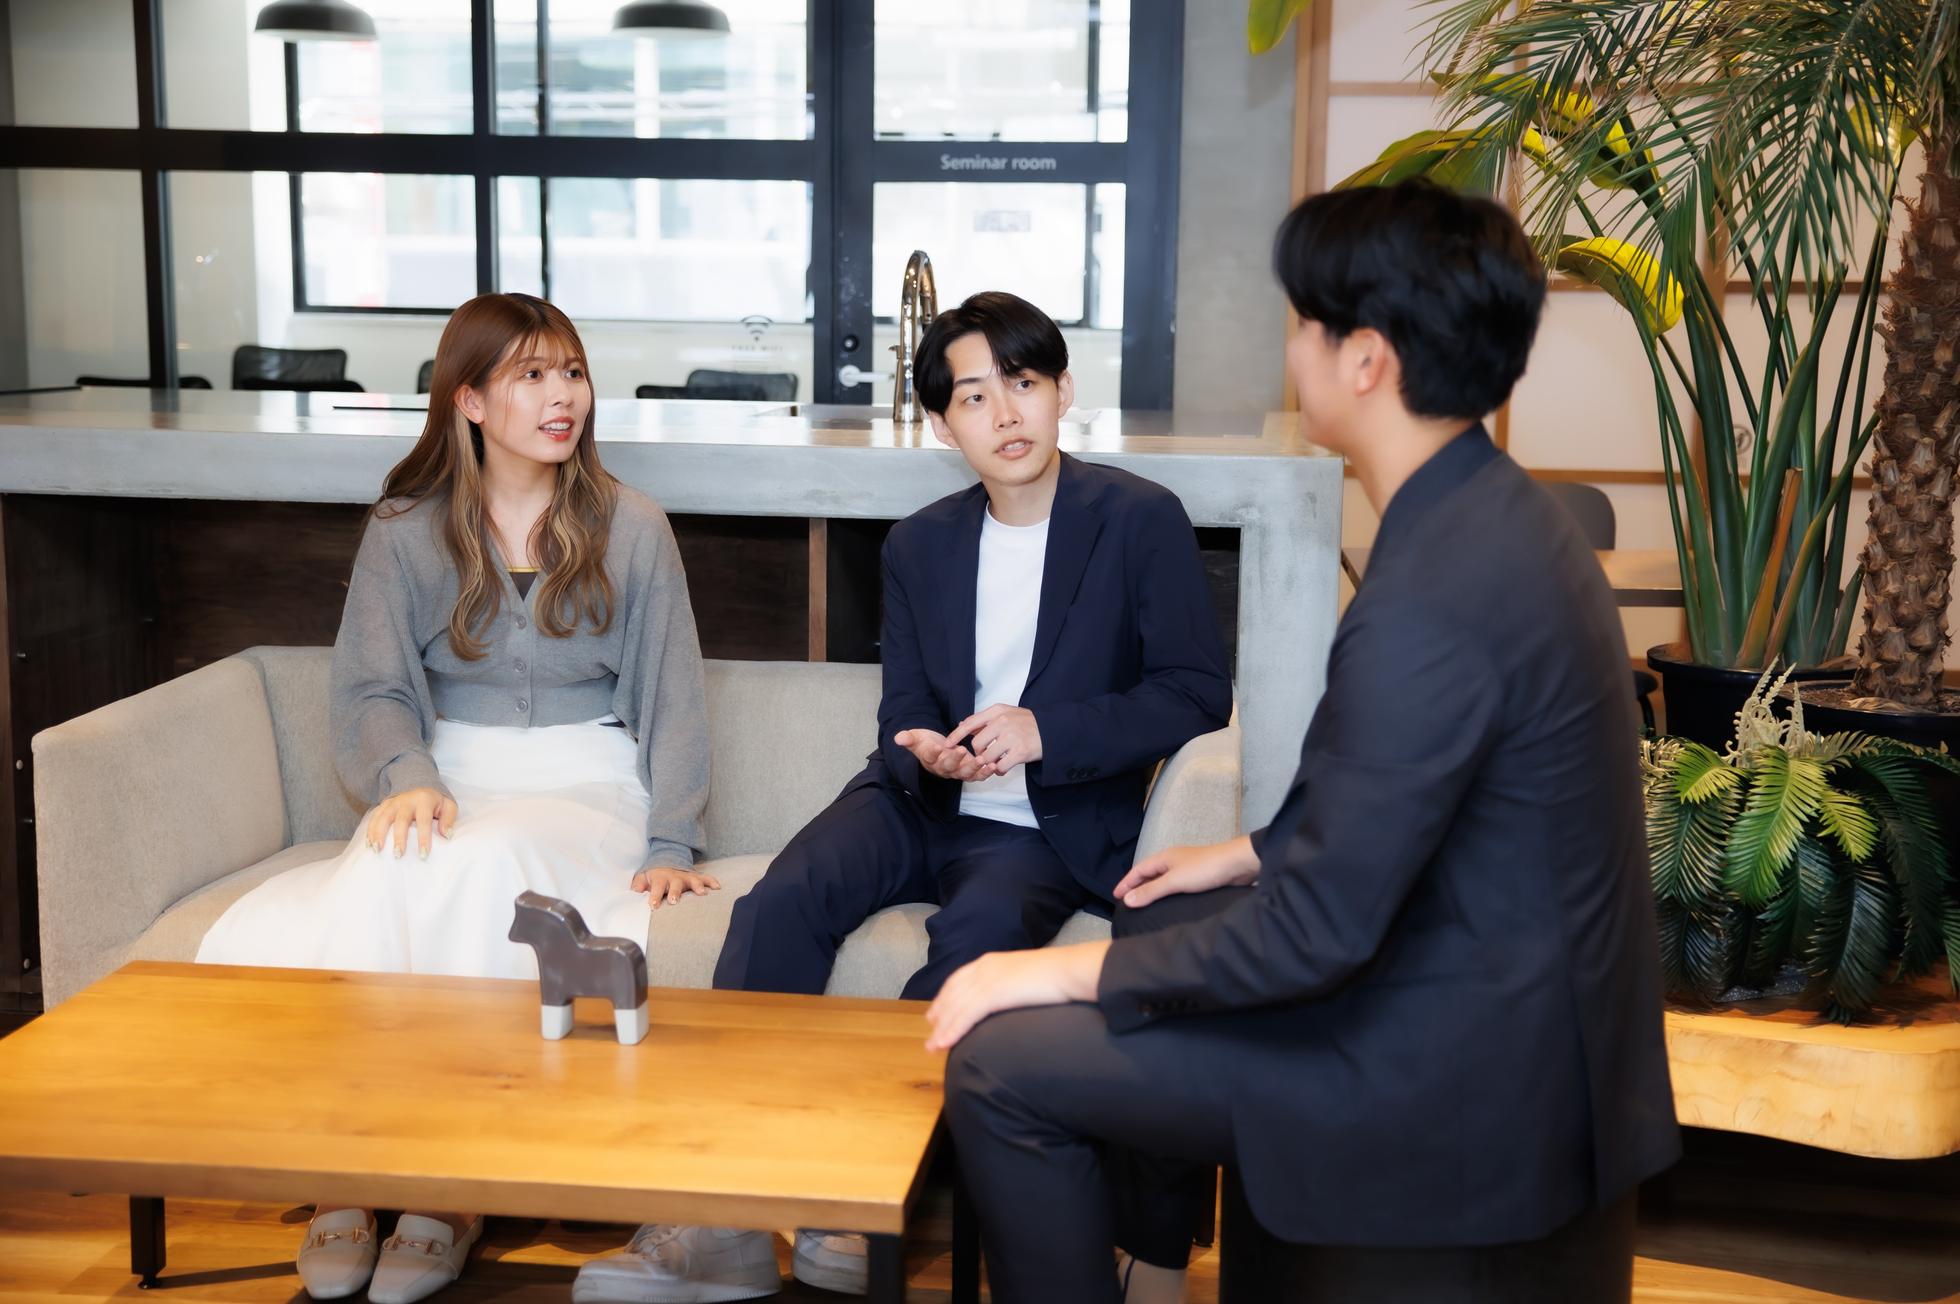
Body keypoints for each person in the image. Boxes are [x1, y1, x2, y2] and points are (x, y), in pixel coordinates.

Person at [922, 180, 1683, 1304]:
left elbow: (1315, 932)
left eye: (1305, 324)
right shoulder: (1491, 513)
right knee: (1162, 907)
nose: (1291, 349)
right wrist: (1244, 853)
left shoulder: (1438, 588)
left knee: (998, 1063)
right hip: (1486, 996)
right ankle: (1152, 1265)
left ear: (1365, 359)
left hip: (1448, 1059)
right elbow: (1418, 799)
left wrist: (1046, 969)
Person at [572, 290, 1234, 1303]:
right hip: (918, 800)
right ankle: (722, 1218)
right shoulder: (920, 542)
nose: (1004, 412)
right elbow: (908, 704)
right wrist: (923, 745)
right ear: (941, 423)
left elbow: (1193, 691)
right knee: (778, 905)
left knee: (968, 949)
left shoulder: (1137, 520)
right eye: (973, 395)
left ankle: (860, 1199)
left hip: (1039, 828)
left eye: (1022, 382)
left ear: (1063, 392)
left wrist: (1045, 731)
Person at [197, 293, 712, 1304]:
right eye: (532, 375)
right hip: (449, 770)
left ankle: (452, 1188)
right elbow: (372, 689)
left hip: (583, 776)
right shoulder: (405, 529)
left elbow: (674, 697)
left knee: (486, 859)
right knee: (404, 854)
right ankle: (350, 1169)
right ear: (469, 400)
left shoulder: (633, 525)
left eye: (572, 372)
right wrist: (410, 777)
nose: (563, 396)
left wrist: (672, 841)